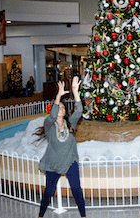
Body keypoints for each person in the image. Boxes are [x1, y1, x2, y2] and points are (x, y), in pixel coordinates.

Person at [36, 76, 86, 218]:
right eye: (59, 107)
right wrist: (58, 96)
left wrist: (75, 92)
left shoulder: (70, 124)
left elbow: (79, 111)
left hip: (70, 162)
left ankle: (84, 216)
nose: (61, 109)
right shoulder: (49, 125)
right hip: (53, 163)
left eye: (63, 107)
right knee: (49, 191)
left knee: (76, 189)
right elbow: (52, 115)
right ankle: (40, 215)